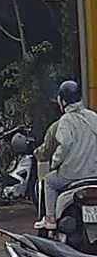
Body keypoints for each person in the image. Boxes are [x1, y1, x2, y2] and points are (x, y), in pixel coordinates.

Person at [39, 80, 97, 230]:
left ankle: (50, 219)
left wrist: (55, 163)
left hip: (72, 175)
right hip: (94, 175)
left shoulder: (65, 120)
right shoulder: (93, 117)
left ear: (62, 101)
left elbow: (65, 144)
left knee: (49, 181)